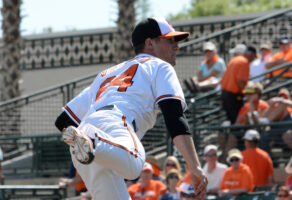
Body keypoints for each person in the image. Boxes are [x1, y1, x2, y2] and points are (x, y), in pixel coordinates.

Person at [54, 17, 207, 200]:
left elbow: (63, 121)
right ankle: (93, 142)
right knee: (134, 165)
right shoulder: (160, 66)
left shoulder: (106, 74)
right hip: (114, 127)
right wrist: (195, 167)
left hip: (87, 139)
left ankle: (90, 143)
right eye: (170, 40)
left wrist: (81, 142)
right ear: (150, 43)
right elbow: (175, 118)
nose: (176, 47)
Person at [220, 45, 257, 124]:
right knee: (237, 122)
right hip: (233, 96)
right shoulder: (244, 62)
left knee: (231, 120)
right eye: (254, 57)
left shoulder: (234, 60)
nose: (253, 60)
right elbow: (240, 81)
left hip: (224, 94)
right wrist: (248, 93)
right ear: (251, 55)